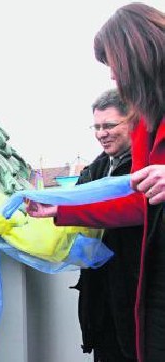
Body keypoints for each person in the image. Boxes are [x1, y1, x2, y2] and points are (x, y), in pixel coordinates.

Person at [25, 3, 164, 362]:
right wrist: (59, 209)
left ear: (138, 53)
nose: (114, 78)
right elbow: (141, 203)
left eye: (115, 66)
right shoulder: (144, 122)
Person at [73, 89, 141, 362]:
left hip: (135, 290)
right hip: (102, 297)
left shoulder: (145, 171)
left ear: (133, 122)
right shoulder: (95, 170)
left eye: (110, 125)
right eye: (97, 126)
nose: (102, 133)